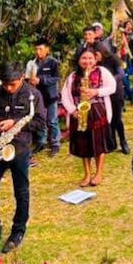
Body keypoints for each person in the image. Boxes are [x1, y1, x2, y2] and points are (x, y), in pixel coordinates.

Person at [0, 62, 45, 253]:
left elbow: (40, 123)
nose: (8, 88)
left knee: (21, 191)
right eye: (5, 84)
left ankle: (18, 230)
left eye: (12, 84)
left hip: (20, 148)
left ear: (22, 78)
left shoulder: (34, 95)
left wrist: (16, 123)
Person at [61, 45, 116, 187]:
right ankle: (87, 174)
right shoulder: (73, 76)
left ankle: (98, 173)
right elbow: (65, 96)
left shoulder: (102, 72)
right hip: (79, 114)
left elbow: (112, 87)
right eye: (84, 58)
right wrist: (73, 111)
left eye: (90, 58)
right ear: (78, 60)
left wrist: (96, 92)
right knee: (83, 144)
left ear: (96, 59)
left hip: (98, 112)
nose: (87, 61)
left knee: (99, 143)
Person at [26, 38, 61, 155]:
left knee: (52, 121)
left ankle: (55, 143)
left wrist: (41, 80)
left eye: (40, 49)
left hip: (51, 96)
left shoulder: (53, 62)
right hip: (38, 97)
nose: (38, 51)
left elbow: (56, 78)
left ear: (47, 49)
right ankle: (42, 142)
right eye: (36, 49)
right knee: (41, 120)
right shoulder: (32, 63)